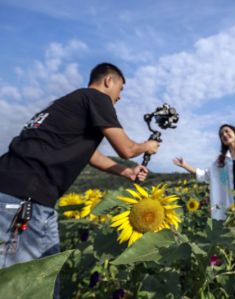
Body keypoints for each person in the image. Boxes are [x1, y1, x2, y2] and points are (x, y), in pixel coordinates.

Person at [0, 63, 160, 271]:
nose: (119, 97)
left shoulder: (67, 104)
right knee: (24, 284)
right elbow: (127, 149)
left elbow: (90, 155)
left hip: (24, 195)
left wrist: (126, 171)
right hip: (24, 197)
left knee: (44, 278)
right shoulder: (97, 98)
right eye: (121, 89)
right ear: (108, 81)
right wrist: (148, 146)